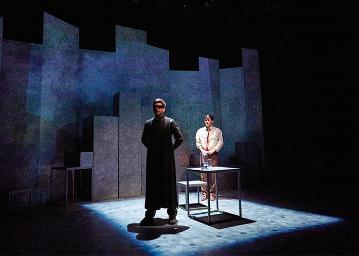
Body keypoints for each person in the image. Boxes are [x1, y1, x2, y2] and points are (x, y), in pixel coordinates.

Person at [140, 98, 183, 226]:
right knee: (153, 185)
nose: (157, 108)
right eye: (155, 106)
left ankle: (172, 213)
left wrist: (170, 149)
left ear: (164, 108)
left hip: (167, 160)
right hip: (153, 160)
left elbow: (179, 139)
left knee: (168, 184)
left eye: (159, 106)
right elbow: (144, 139)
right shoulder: (148, 123)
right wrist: (153, 149)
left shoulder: (170, 122)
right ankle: (150, 214)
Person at [195, 114, 223, 201]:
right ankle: (204, 193)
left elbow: (220, 142)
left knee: (213, 174)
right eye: (205, 120)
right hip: (203, 154)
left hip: (213, 154)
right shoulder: (200, 131)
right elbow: (198, 142)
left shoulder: (217, 131)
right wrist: (202, 150)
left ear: (212, 121)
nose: (206, 121)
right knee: (203, 175)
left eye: (208, 120)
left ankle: (212, 193)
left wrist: (214, 150)